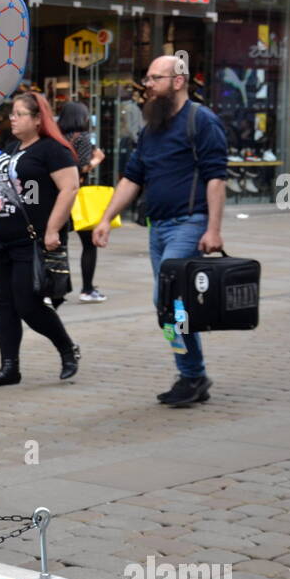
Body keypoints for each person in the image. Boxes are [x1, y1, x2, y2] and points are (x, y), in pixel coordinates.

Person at [89, 54, 228, 407]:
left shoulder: (202, 121)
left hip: (189, 224)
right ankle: (192, 373)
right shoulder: (152, 128)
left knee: (164, 299)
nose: (147, 85)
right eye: (147, 78)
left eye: (155, 78)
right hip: (158, 227)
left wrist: (213, 229)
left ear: (177, 81)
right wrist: (105, 219)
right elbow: (131, 178)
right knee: (172, 306)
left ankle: (192, 373)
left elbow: (215, 178)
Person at [0, 92, 80, 386]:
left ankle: (67, 348)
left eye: (19, 114)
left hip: (30, 240)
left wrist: (53, 230)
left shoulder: (53, 150)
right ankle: (9, 367)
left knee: (27, 304)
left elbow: (70, 188)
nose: (12, 119)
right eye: (12, 114)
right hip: (2, 239)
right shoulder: (12, 147)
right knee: (5, 305)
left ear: (37, 118)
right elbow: (1, 189)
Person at [56, 101, 107, 302]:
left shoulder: (57, 138)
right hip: (78, 197)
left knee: (58, 243)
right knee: (89, 244)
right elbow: (81, 167)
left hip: (59, 195)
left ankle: (55, 288)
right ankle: (87, 289)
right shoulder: (83, 138)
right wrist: (96, 161)